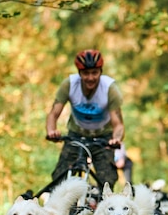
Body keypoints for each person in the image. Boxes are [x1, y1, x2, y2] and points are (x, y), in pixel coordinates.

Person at [46, 49, 125, 190]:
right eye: (85, 73)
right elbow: (53, 114)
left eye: (94, 73)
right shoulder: (69, 85)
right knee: (59, 178)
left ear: (100, 72)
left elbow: (118, 124)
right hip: (76, 136)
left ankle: (99, 205)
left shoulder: (110, 89)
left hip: (102, 138)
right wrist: (52, 131)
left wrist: (116, 139)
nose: (90, 78)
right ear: (79, 73)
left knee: (107, 180)